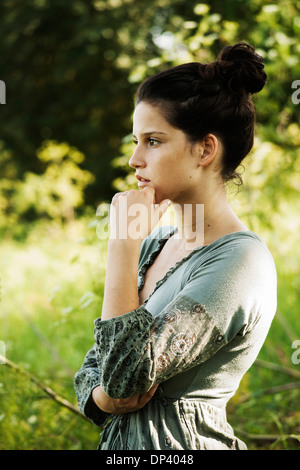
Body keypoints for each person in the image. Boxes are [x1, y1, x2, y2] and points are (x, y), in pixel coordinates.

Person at [74, 42, 277, 450]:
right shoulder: (155, 243)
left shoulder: (240, 261)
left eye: (152, 141)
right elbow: (90, 373)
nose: (134, 159)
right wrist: (104, 398)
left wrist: (120, 247)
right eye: (136, 140)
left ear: (204, 149)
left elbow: (122, 376)